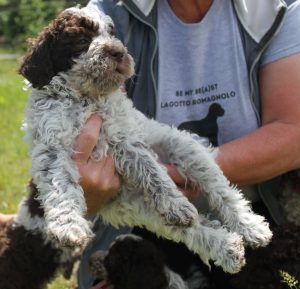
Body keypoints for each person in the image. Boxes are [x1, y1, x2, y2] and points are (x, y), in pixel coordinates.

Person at [73, 0, 300, 288]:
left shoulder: (279, 10)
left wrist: (180, 174)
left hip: (259, 214)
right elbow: (100, 144)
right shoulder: (108, 15)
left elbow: (293, 133)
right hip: (142, 226)